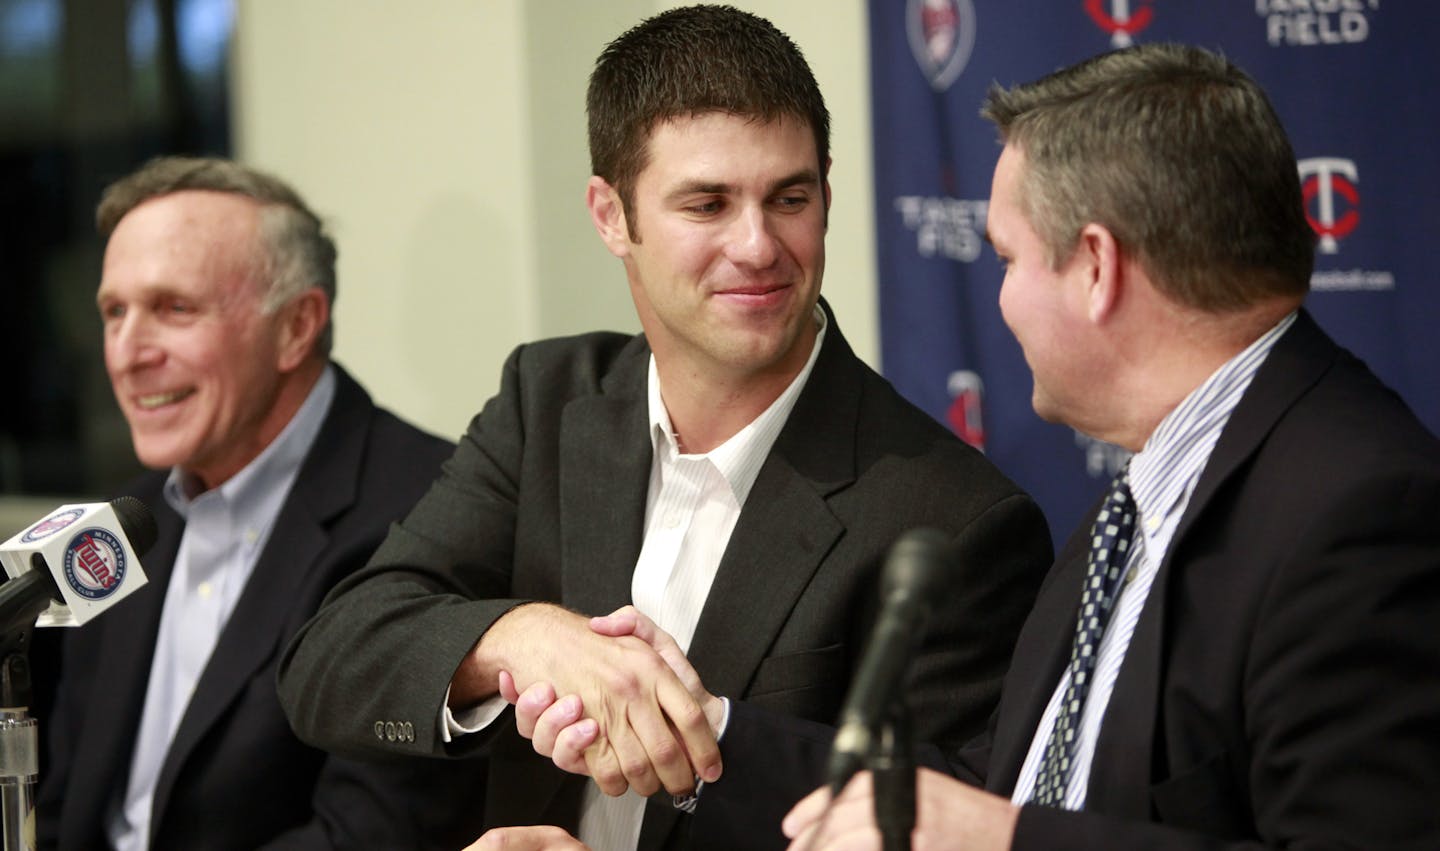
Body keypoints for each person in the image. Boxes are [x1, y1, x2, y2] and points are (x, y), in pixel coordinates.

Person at [515, 42, 1440, 850]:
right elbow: (978, 789)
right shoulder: (1141, 504)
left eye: (1006, 258)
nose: (999, 304)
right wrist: (703, 725)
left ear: (1096, 268)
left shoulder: (1358, 510)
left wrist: (1001, 840)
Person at [276, 5, 1052, 851]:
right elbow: (331, 661)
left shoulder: (954, 515)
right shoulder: (547, 401)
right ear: (612, 216)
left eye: (789, 197)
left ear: (826, 193)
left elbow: (941, 819)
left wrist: (695, 727)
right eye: (708, 203)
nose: (758, 245)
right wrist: (523, 640)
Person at [36, 156, 489, 850]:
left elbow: (373, 833)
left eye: (173, 308)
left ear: (296, 326)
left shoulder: (432, 506)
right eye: (113, 312)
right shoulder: (117, 525)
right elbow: (67, 800)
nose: (126, 353)